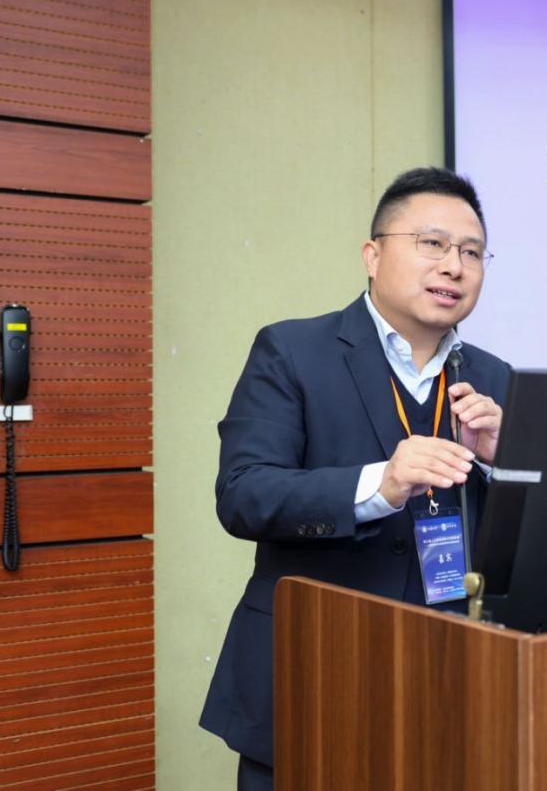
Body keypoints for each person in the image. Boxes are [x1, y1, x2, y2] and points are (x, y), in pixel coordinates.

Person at [199, 168, 510, 790]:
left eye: (471, 252)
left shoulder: (494, 376)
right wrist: (379, 487)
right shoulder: (292, 351)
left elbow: (524, 543)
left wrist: (505, 462)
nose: (454, 266)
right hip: (314, 671)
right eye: (432, 243)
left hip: (448, 684)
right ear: (373, 255)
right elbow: (243, 493)